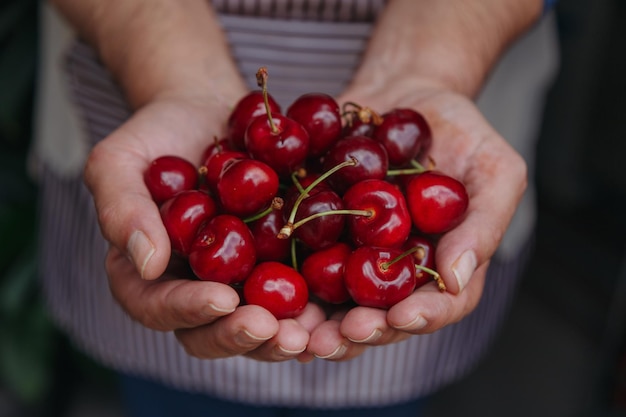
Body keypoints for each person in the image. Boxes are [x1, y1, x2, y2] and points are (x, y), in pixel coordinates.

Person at [31, 0, 559, 415]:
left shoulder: (371, 196)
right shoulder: (243, 183)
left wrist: (436, 63)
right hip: (139, 66)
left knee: (386, 385)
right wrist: (163, 67)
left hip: (453, 65)